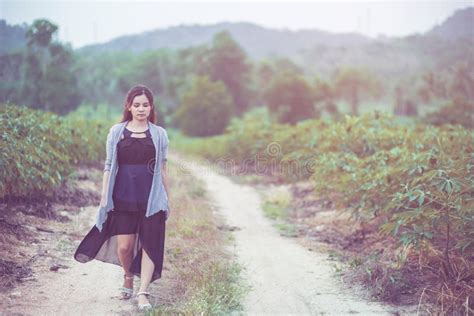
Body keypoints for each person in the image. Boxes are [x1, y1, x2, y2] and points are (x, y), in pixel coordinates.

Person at [74, 84, 171, 311]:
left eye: (145, 105)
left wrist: (168, 198)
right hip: (123, 196)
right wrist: (103, 196)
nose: (141, 109)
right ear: (128, 106)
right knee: (125, 247)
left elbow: (163, 168)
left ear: (151, 107)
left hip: (151, 199)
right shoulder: (117, 131)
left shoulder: (159, 134)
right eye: (136, 105)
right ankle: (128, 275)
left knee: (150, 245)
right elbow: (108, 166)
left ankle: (143, 292)